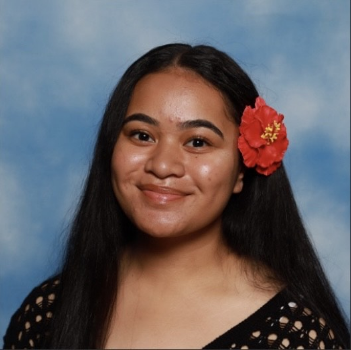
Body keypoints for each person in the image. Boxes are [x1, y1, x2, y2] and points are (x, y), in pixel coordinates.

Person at [3, 43, 350, 349]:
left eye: (198, 142)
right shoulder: (49, 311)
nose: (163, 165)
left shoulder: (296, 336)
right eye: (141, 135)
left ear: (241, 171)